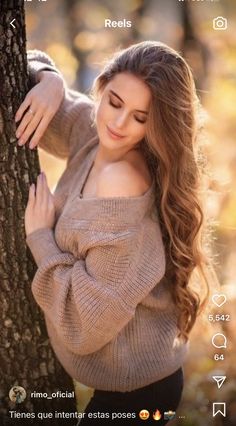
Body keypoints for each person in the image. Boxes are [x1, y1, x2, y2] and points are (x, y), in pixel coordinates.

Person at [15, 41, 216, 425]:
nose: (119, 124)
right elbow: (19, 70)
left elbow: (85, 326)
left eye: (141, 118)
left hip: (139, 393)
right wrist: (50, 80)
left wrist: (40, 238)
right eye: (115, 102)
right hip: (124, 381)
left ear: (157, 126)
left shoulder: (122, 182)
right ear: (103, 87)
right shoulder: (93, 133)